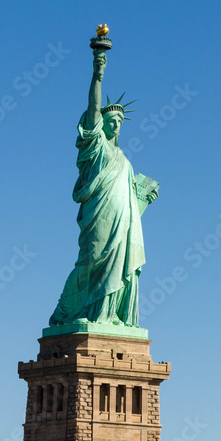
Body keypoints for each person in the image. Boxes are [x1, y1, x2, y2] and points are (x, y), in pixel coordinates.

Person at [49, 41, 159, 329]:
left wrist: (144, 198)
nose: (117, 124)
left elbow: (129, 203)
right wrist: (98, 74)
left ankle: (109, 316)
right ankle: (85, 311)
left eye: (121, 120)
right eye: (112, 119)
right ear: (101, 124)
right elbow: (93, 107)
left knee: (121, 263)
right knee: (94, 259)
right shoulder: (96, 147)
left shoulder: (125, 160)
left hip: (122, 221)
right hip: (99, 215)